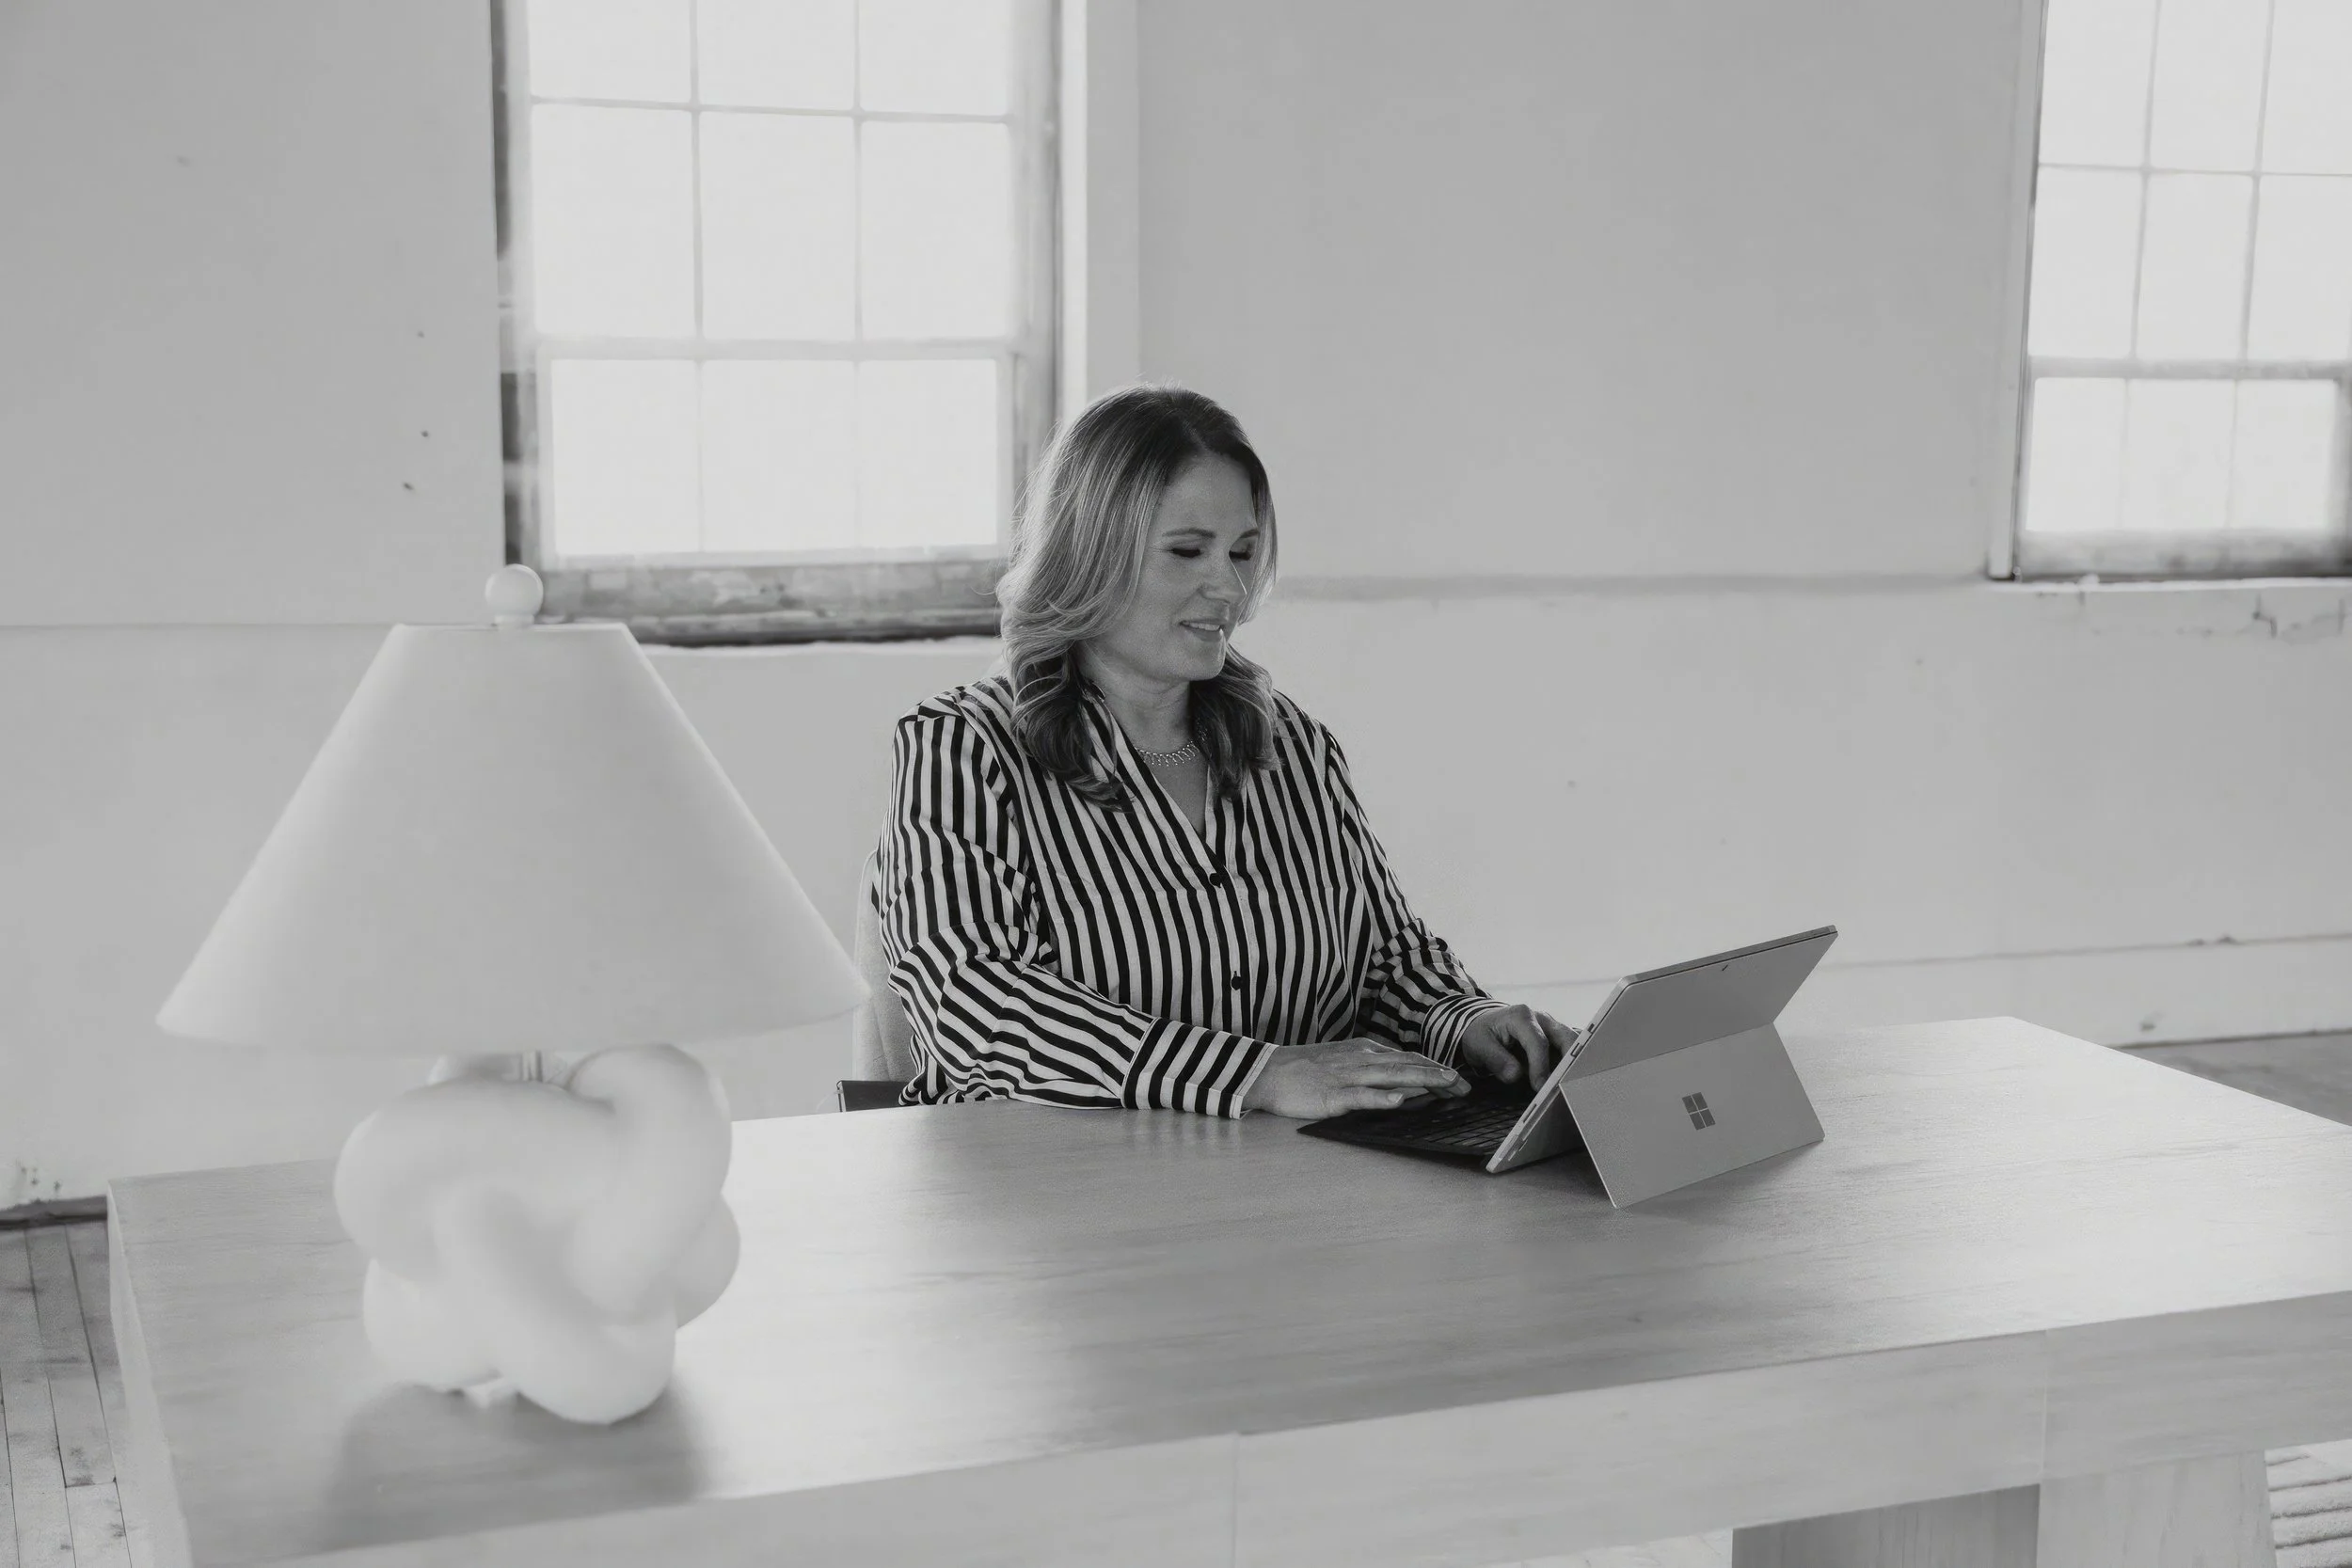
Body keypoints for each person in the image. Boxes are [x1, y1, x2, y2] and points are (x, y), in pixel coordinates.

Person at [873, 384, 1578, 1119]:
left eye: (1244, 551)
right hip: (1055, 1198)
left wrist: (1465, 1019)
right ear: (1089, 554)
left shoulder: (1292, 745)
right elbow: (978, 1012)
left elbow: (1384, 961)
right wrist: (1254, 1075)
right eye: (1188, 551)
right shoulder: (960, 747)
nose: (1231, 587)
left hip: (1290, 1187)